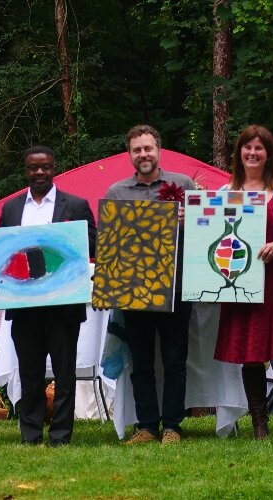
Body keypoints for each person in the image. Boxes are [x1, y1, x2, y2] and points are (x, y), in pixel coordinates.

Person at [213, 125, 273, 439]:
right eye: (247, 148)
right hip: (242, 285)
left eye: (259, 149)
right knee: (252, 355)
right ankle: (260, 425)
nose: (252, 154)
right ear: (239, 153)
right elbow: (212, 240)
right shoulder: (224, 194)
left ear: (269, 155)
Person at [0, 146, 96, 446]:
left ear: (54, 169)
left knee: (64, 375)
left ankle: (61, 435)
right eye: (33, 168)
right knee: (29, 374)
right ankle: (30, 434)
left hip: (63, 307)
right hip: (24, 307)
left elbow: (93, 246)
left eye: (45, 167)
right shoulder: (12, 209)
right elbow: (1, 254)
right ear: (25, 170)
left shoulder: (76, 206)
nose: (39, 172)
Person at [104, 125, 195, 445]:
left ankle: (173, 426)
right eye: (137, 150)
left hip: (177, 288)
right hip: (134, 290)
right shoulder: (116, 193)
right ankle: (147, 426)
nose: (143, 154)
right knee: (140, 362)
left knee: (174, 360)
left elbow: (206, 233)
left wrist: (191, 220)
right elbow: (109, 245)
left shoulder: (183, 186)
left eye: (148, 148)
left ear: (159, 150)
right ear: (129, 155)